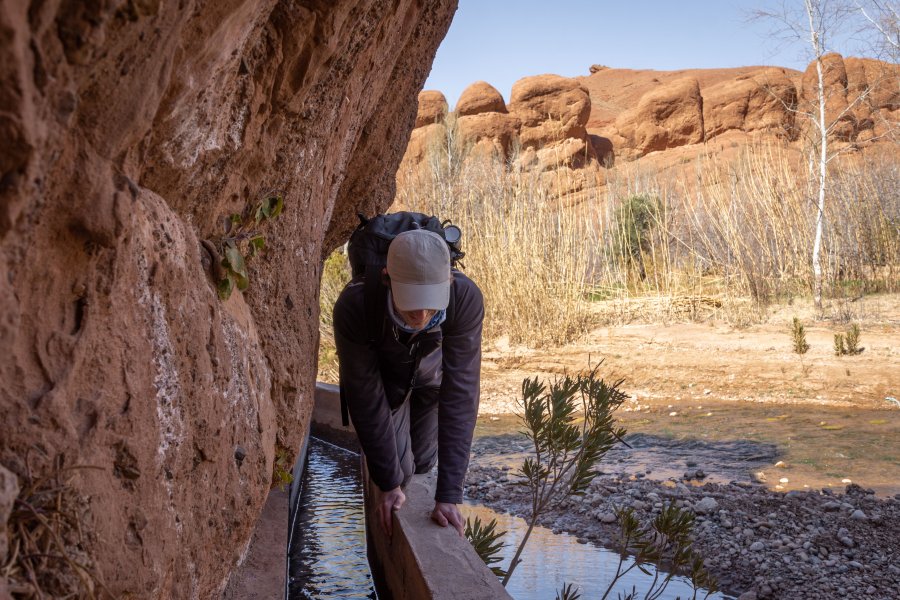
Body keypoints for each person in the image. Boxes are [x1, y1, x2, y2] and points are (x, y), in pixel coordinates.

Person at [333, 229, 483, 538]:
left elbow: (462, 392)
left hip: (433, 380)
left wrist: (449, 495)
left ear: (449, 282)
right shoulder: (356, 304)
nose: (422, 314)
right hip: (388, 383)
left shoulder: (464, 298)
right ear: (387, 278)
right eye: (412, 302)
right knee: (399, 474)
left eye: (431, 304)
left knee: (425, 463)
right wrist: (388, 483)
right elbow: (364, 396)